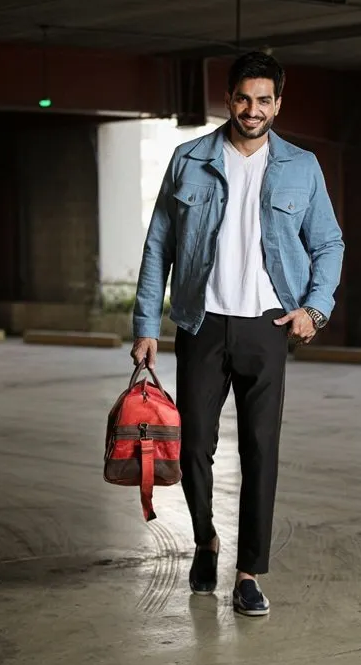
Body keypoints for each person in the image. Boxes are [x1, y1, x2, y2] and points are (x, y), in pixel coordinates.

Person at [131, 51, 344, 616]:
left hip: (267, 327)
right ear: (228, 99)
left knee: (260, 451)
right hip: (201, 324)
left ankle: (249, 573)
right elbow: (158, 246)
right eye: (244, 99)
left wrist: (314, 309)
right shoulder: (189, 159)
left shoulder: (302, 166)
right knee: (193, 448)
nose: (253, 110)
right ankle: (206, 540)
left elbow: (329, 243)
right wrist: (146, 324)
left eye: (264, 100)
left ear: (278, 103)